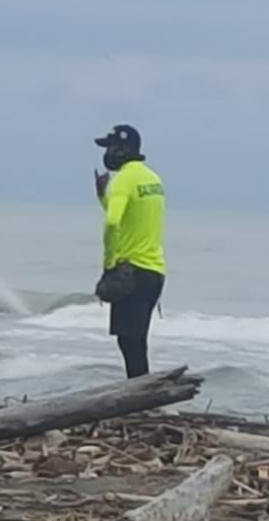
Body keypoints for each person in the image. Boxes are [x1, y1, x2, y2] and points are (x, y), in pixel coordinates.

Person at [94, 125, 166, 378]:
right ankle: (143, 392)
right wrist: (104, 198)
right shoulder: (153, 179)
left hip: (130, 272)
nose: (108, 154)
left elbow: (113, 223)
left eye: (111, 147)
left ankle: (141, 396)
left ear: (124, 149)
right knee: (137, 340)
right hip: (154, 271)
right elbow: (131, 219)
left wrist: (109, 263)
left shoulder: (123, 179)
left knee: (129, 342)